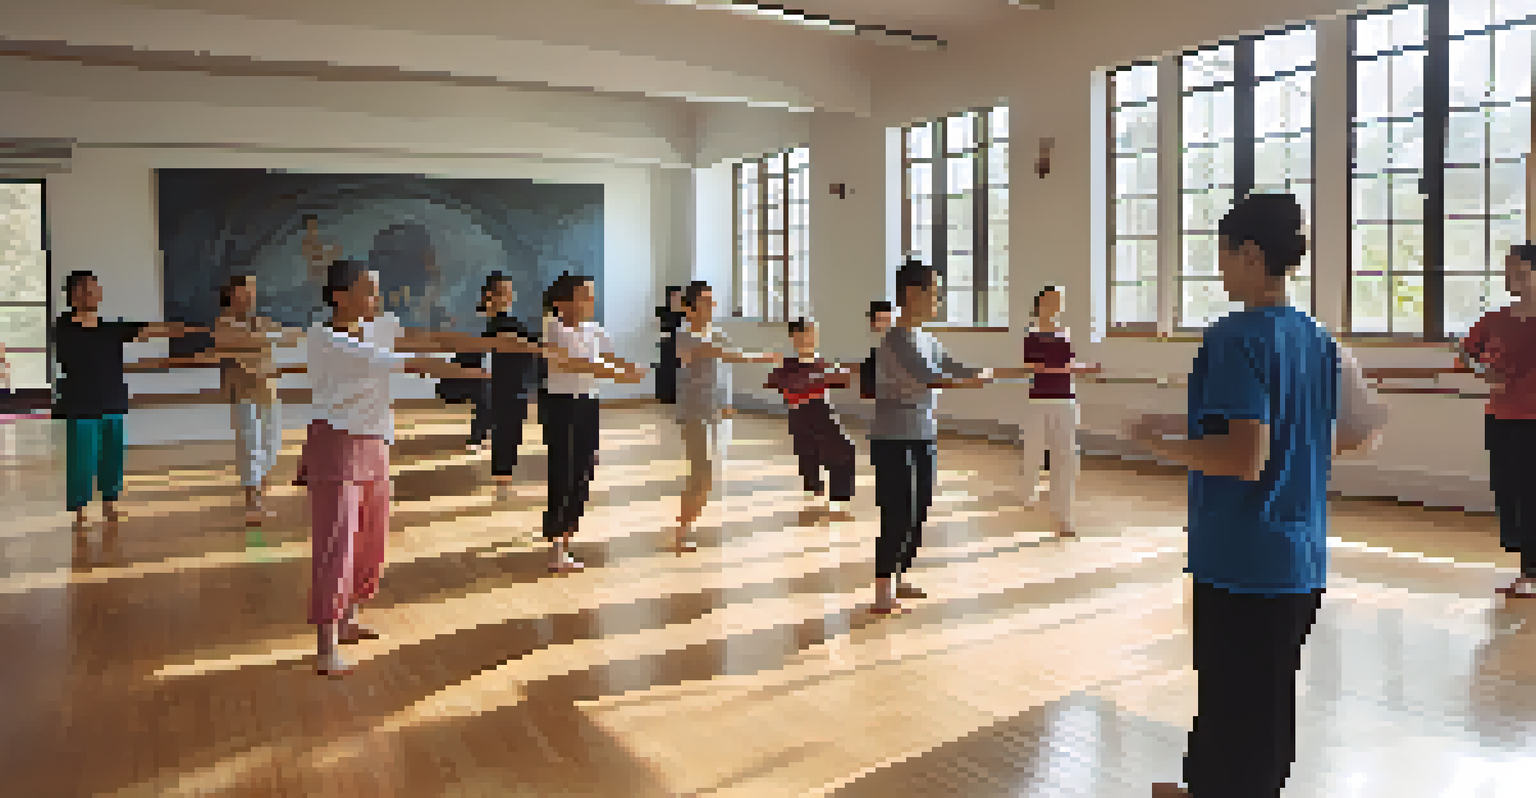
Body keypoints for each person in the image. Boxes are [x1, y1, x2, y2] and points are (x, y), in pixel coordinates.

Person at [1129, 193, 1389, 798]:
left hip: (1241, 558)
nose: (1218, 269)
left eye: (1222, 255)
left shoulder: (1233, 337)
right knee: (1260, 704)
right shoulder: (1319, 339)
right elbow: (1355, 434)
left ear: (1248, 254)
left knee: (1233, 701)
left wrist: (1156, 442)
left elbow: (1243, 457)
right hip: (1298, 558)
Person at [305, 259, 549, 676]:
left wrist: (492, 344)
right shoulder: (326, 339)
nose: (376, 298)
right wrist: (476, 372)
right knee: (337, 542)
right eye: (368, 290)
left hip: (375, 442)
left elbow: (429, 337)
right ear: (340, 295)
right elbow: (416, 361)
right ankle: (326, 643)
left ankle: (348, 619)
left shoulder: (376, 325)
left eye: (377, 289)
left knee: (370, 539)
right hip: (336, 445)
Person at [869, 259, 1032, 614]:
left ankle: (899, 575)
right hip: (894, 439)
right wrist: (971, 381)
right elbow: (930, 376)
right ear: (912, 294)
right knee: (898, 512)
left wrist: (1006, 370)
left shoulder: (927, 338)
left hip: (923, 435)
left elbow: (954, 366)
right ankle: (883, 590)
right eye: (934, 293)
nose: (938, 301)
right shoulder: (896, 339)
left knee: (919, 509)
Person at [54, 270, 204, 565]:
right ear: (72, 295)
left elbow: (154, 330)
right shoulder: (62, 327)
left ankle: (110, 502)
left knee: (112, 458)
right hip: (80, 405)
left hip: (112, 401)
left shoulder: (112, 329)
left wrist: (192, 329)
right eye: (84, 289)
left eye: (94, 288)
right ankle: (80, 509)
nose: (91, 293)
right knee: (81, 459)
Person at [539, 273, 647, 573]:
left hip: (587, 403)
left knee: (586, 466)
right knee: (563, 469)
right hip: (561, 405)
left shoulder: (595, 329)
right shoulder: (552, 326)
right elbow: (567, 363)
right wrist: (616, 374)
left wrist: (633, 368)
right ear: (563, 302)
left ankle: (565, 535)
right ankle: (556, 545)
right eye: (584, 295)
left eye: (591, 294)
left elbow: (611, 358)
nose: (591, 300)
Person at [674, 280, 782, 553]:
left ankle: (685, 523)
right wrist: (764, 357)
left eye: (712, 300)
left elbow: (724, 371)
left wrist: (727, 402)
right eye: (705, 301)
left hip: (713, 410)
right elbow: (729, 355)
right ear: (690, 308)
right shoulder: (685, 335)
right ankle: (682, 529)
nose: (712, 305)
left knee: (706, 478)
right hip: (693, 411)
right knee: (700, 472)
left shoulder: (716, 331)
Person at [1461, 242, 1536, 599]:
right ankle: (1527, 568)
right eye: (1507, 270)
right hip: (1502, 416)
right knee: (1511, 492)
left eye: (1516, 270)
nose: (1509, 276)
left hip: (1533, 420)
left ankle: (1533, 572)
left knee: (1532, 493)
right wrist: (1483, 372)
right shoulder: (1495, 319)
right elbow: (1469, 357)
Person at [212, 275, 304, 525]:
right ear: (231, 296)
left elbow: (292, 336)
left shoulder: (262, 321)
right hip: (241, 392)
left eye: (251, 291)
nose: (249, 297)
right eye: (243, 292)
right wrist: (271, 337)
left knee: (271, 444)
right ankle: (252, 502)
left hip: (267, 391)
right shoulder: (223, 323)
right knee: (250, 445)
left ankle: (260, 493)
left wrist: (273, 335)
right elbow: (235, 341)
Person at [1018, 285, 1100, 538]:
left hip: (1065, 400)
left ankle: (1063, 514)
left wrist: (1084, 368)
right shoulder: (1031, 334)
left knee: (1065, 456)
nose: (1057, 305)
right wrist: (1063, 369)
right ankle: (1028, 492)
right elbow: (1032, 367)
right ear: (1040, 303)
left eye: (1060, 301)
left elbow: (1069, 364)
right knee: (1033, 450)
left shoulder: (1065, 333)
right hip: (1039, 401)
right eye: (1052, 300)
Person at [765, 318, 858, 519]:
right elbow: (781, 386)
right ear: (793, 337)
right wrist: (816, 380)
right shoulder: (788, 364)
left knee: (842, 450)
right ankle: (814, 491)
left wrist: (835, 375)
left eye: (812, 333)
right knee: (808, 453)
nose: (809, 337)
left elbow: (841, 382)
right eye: (804, 333)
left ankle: (838, 499)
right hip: (801, 412)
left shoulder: (822, 362)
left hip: (821, 410)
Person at [480, 272, 543, 500]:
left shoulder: (507, 322)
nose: (509, 295)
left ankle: (503, 475)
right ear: (491, 296)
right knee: (506, 432)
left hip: (514, 384)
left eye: (509, 290)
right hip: (506, 386)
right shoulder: (500, 324)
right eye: (503, 291)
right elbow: (526, 344)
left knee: (510, 432)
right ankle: (502, 479)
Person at [655, 285, 685, 405]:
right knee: (667, 372)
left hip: (681, 344)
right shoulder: (661, 310)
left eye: (677, 295)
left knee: (680, 371)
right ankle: (666, 396)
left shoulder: (684, 312)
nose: (675, 298)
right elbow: (660, 326)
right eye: (673, 295)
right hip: (667, 344)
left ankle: (679, 396)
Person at [860, 300, 894, 401]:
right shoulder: (867, 350)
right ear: (872, 322)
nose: (886, 325)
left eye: (888, 320)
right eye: (882, 320)